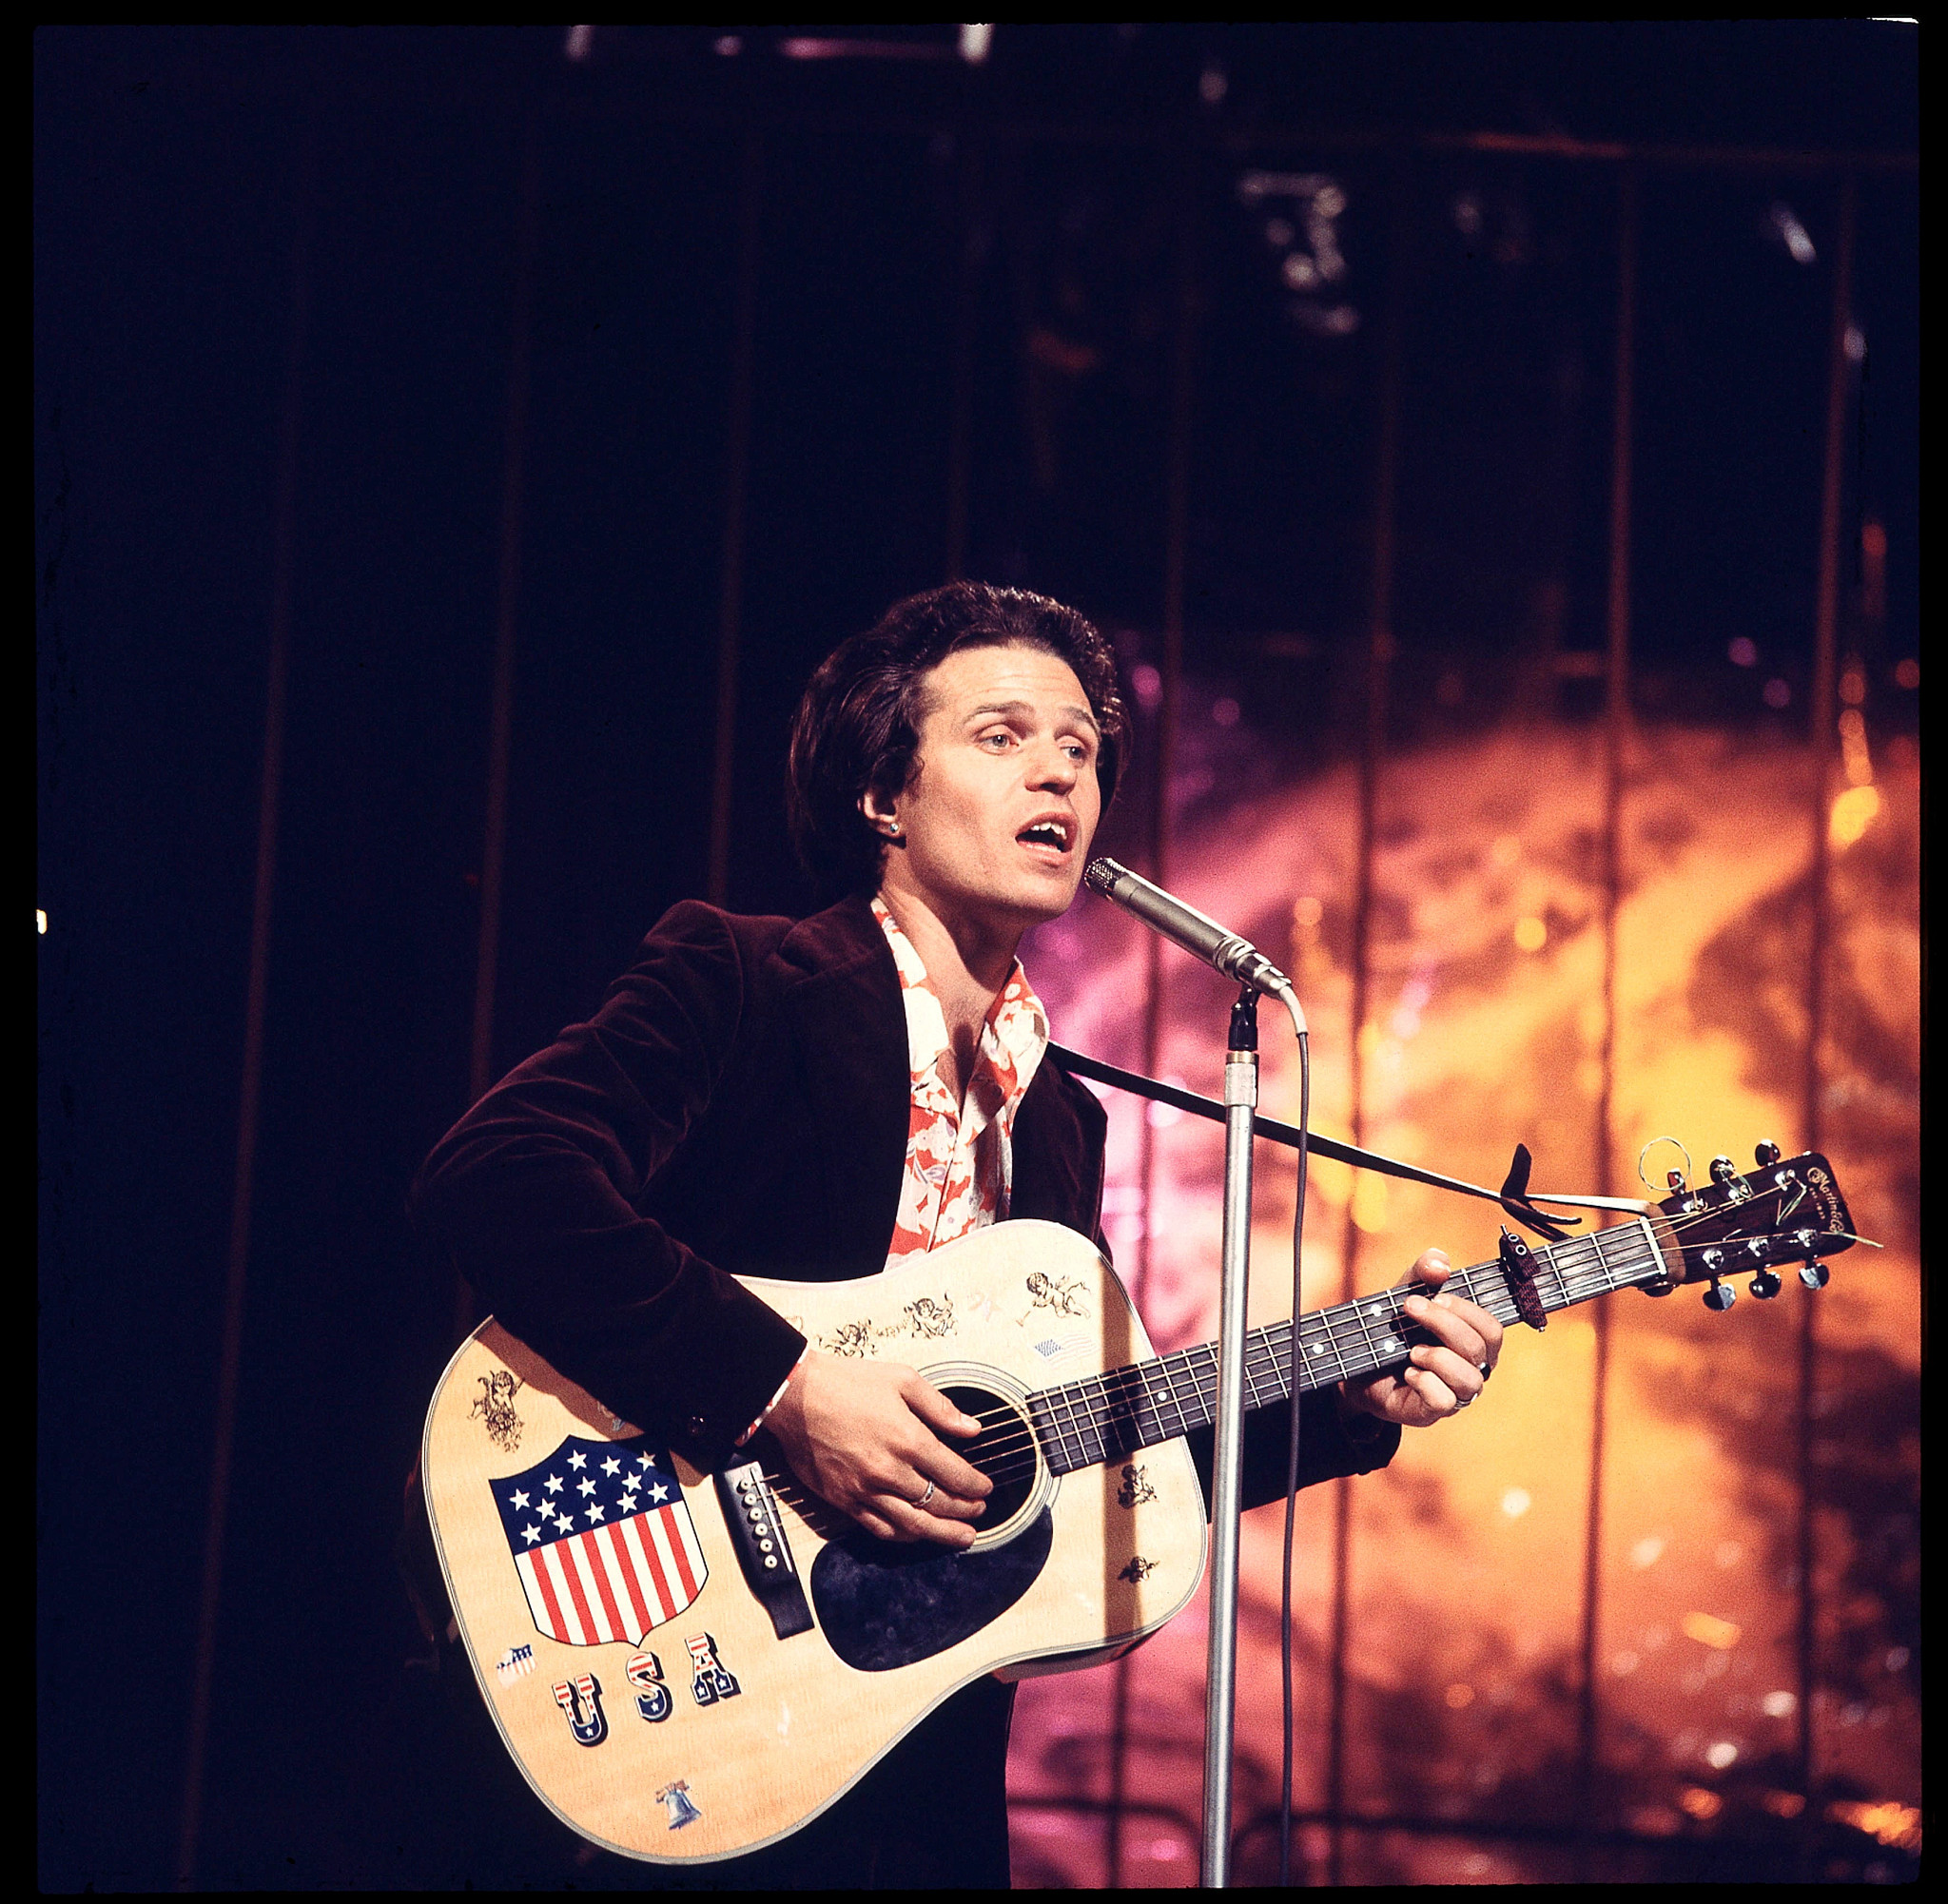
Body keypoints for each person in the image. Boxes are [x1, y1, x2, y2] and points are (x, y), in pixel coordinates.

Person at [410, 580, 1504, 1888]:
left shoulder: (1062, 1121)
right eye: (1002, 735)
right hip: (687, 1679)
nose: (1059, 770)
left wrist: (1350, 1402)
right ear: (884, 794)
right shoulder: (745, 980)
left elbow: (1084, 1458)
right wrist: (789, 1390)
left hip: (913, 1763)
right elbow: (499, 1173)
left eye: (1081, 748)